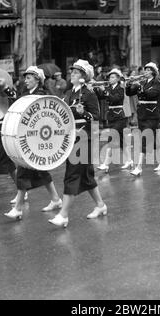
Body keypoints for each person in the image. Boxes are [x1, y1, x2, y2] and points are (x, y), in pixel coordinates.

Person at [49, 59, 107, 228]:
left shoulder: (88, 93)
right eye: (72, 72)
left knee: (72, 175)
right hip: (71, 139)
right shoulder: (68, 94)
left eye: (76, 72)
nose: (72, 74)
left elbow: (96, 117)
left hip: (84, 139)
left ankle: (63, 215)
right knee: (87, 177)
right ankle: (101, 205)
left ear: (83, 76)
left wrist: (85, 113)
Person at [4, 66, 62, 220]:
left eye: (29, 77)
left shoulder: (42, 95)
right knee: (40, 171)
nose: (26, 80)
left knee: (24, 171)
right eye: (25, 77)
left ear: (37, 79)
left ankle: (17, 208)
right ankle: (56, 199)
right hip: (29, 140)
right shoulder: (26, 94)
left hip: (38, 140)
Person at [125, 62, 160, 176]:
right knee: (153, 140)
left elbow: (151, 94)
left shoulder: (157, 82)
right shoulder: (143, 82)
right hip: (142, 114)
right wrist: (129, 84)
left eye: (149, 69)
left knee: (144, 140)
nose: (146, 71)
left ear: (153, 72)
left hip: (152, 115)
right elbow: (129, 93)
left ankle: (138, 167)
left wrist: (139, 87)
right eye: (145, 69)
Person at [96, 68, 132, 172]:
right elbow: (102, 98)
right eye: (110, 77)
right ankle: (129, 160)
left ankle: (105, 164)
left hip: (120, 117)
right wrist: (97, 89)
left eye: (112, 77)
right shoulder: (110, 88)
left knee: (111, 139)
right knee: (121, 141)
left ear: (117, 79)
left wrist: (105, 91)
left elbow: (115, 99)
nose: (110, 79)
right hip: (111, 117)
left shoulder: (120, 88)